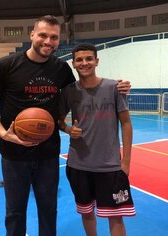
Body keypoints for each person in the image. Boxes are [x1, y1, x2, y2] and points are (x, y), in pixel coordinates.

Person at [0, 15, 131, 236]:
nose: (48, 41)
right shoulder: (5, 65)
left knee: (49, 209)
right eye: (43, 35)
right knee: (15, 211)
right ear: (32, 34)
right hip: (13, 153)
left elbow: (84, 90)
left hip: (48, 153)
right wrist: (4, 134)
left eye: (54, 37)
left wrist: (118, 86)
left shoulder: (61, 69)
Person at [58, 43, 135, 236]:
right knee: (86, 212)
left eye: (89, 59)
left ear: (96, 61)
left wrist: (126, 161)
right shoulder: (68, 91)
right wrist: (68, 129)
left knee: (116, 216)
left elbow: (126, 123)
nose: (84, 63)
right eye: (79, 60)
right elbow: (58, 120)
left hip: (110, 166)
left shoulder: (114, 87)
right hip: (78, 165)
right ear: (73, 64)